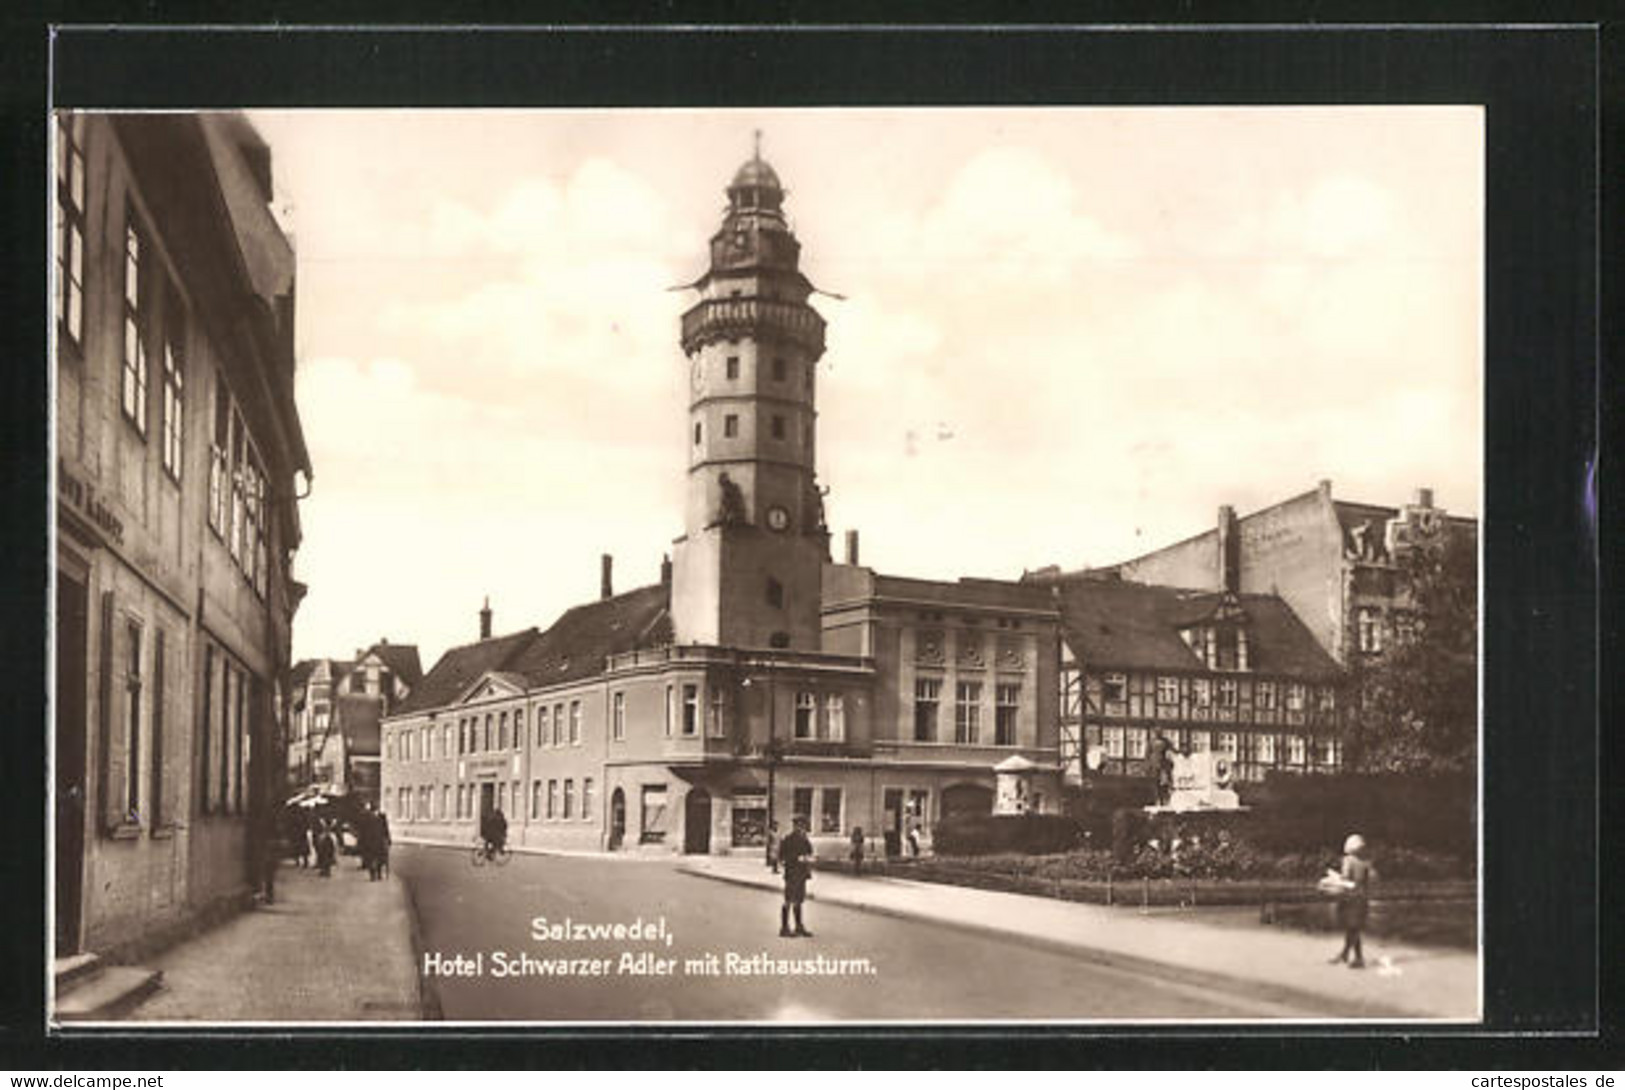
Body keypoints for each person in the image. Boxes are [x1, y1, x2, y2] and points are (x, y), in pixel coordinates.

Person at [1329, 833, 1375, 969]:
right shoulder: (1366, 862)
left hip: (1350, 897)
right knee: (1353, 928)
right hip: (1362, 898)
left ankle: (1358, 958)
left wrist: (1334, 879)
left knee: (1351, 928)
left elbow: (1346, 879)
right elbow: (1370, 880)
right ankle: (1345, 954)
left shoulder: (1348, 860)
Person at [778, 815, 814, 938]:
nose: (802, 828)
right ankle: (784, 928)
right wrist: (797, 858)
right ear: (795, 826)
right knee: (788, 900)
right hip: (792, 873)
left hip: (802, 874)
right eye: (800, 825)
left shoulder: (804, 839)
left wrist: (808, 858)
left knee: (798, 901)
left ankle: (799, 927)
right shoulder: (788, 839)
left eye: (803, 825)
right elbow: (782, 857)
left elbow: (810, 852)